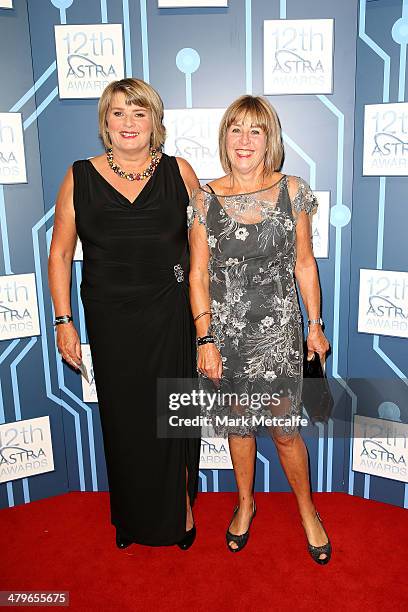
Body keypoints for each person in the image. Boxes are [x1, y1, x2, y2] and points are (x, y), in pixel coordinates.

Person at [48, 78, 200, 550]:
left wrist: (206, 322)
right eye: (118, 113)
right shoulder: (79, 175)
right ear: (105, 123)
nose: (129, 123)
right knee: (125, 421)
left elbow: (203, 253)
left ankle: (183, 512)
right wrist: (63, 319)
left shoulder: (181, 173)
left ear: (155, 121)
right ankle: (132, 519)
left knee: (173, 417)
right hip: (111, 322)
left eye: (139, 113)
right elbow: (59, 253)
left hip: (170, 315)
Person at [188, 95, 332, 563]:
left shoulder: (294, 190)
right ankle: (245, 503)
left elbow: (305, 263)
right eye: (236, 129)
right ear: (224, 138)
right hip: (225, 337)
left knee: (285, 431)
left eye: (255, 130)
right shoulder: (204, 198)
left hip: (281, 337)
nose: (244, 140)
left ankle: (307, 509)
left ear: (270, 138)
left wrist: (315, 324)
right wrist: (205, 338)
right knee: (238, 427)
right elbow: (197, 273)